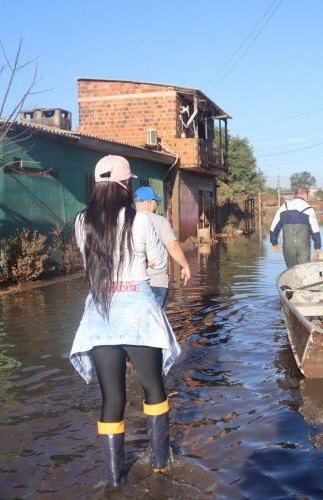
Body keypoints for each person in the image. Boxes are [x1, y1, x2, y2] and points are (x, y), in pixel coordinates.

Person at [69, 155, 181, 487]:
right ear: (126, 185)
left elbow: (89, 258)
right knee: (153, 387)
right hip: (138, 317)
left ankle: (114, 480)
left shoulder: (81, 221)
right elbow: (159, 261)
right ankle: (161, 465)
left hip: (101, 317)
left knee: (112, 399)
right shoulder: (142, 220)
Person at [133, 186, 191, 309]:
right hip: (155, 281)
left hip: (131, 283)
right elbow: (173, 246)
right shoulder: (160, 220)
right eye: (156, 202)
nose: (157, 205)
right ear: (149, 202)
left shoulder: (127, 219)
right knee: (156, 322)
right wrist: (185, 266)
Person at [269, 186, 322, 268]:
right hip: (303, 247)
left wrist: (274, 242)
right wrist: (317, 247)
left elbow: (273, 228)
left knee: (291, 270)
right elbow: (315, 230)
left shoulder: (284, 207)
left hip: (288, 246)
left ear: (295, 195)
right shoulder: (308, 209)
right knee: (303, 270)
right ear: (305, 195)